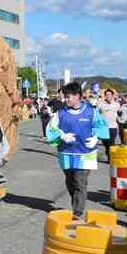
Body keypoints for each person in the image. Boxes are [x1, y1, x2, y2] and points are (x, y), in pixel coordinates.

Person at [45, 82, 109, 219]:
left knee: (80, 181)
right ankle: (76, 203)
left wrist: (96, 138)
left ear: (78, 96)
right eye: (65, 97)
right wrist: (62, 135)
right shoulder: (60, 113)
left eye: (68, 97)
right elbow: (51, 129)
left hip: (86, 153)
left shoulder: (91, 111)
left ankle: (77, 212)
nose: (65, 99)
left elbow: (101, 125)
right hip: (66, 152)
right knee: (70, 181)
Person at [97, 89, 120, 159]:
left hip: (113, 127)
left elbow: (120, 113)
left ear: (112, 96)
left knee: (111, 143)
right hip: (104, 127)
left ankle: (111, 158)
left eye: (109, 95)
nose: (108, 96)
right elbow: (96, 113)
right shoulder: (101, 104)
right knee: (106, 143)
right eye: (106, 95)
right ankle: (108, 153)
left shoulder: (117, 104)